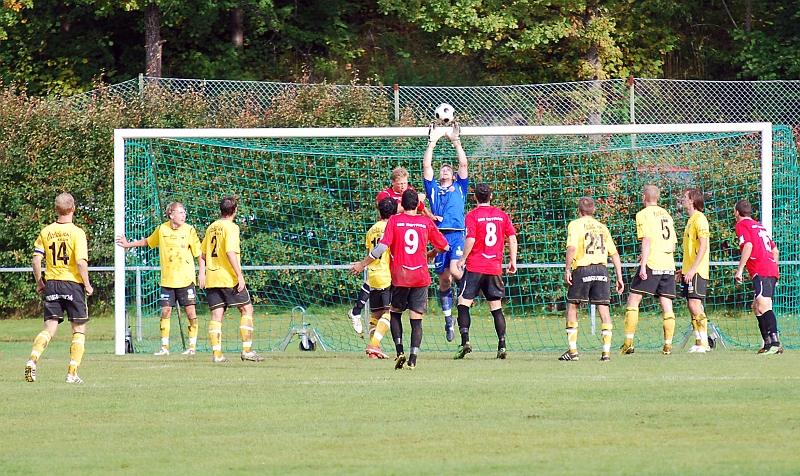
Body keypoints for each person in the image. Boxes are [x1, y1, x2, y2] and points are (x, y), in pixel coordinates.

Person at [351, 189, 449, 370]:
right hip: (420, 276)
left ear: (402, 205)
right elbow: (444, 246)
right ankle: (413, 358)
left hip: (400, 276)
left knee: (395, 313)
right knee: (416, 318)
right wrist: (431, 253)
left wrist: (363, 264)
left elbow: (381, 248)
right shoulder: (425, 222)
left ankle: (399, 352)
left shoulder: (395, 221)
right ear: (417, 206)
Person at [347, 167, 435, 337]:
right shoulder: (384, 195)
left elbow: (421, 208)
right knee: (378, 276)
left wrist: (431, 217)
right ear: (393, 182)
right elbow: (394, 209)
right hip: (386, 235)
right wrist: (411, 203)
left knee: (382, 281)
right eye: (399, 184)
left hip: (397, 239)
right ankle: (359, 312)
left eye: (405, 183)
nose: (403, 187)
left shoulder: (410, 192)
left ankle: (367, 329)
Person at [116, 202, 202, 355]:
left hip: (186, 280)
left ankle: (192, 347)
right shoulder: (162, 229)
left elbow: (199, 254)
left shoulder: (189, 230)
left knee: (191, 313)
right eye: (180, 212)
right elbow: (148, 241)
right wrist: (128, 245)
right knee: (165, 312)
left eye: (184, 212)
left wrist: (202, 273)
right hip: (168, 280)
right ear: (171, 215)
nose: (184, 215)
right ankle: (165, 347)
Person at [25, 193, 93, 384]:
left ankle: (33, 359)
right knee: (78, 329)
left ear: (56, 209)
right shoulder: (77, 232)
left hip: (52, 283)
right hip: (72, 283)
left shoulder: (46, 231)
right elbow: (80, 262)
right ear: (74, 208)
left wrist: (40, 282)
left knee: (49, 328)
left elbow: (36, 260)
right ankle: (72, 373)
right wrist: (87, 284)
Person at [453, 183, 518, 359]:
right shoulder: (501, 216)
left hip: (475, 266)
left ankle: (465, 341)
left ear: (474, 198)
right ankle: (502, 345)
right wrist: (512, 261)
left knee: (463, 303)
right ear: (491, 196)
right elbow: (512, 238)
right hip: (494, 267)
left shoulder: (472, 215)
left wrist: (462, 259)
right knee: (496, 306)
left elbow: (471, 239)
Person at [198, 196, 264, 363]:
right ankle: (247, 351)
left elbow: (203, 254)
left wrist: (202, 273)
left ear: (221, 210)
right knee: (247, 310)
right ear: (235, 210)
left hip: (212, 278)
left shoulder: (211, 227)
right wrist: (239, 275)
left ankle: (217, 355)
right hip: (227, 278)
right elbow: (230, 252)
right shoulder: (232, 228)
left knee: (216, 315)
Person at [559, 197, 624, 362]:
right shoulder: (602, 227)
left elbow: (572, 247)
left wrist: (567, 269)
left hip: (583, 268)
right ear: (594, 211)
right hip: (601, 270)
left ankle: (573, 351)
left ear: (579, 211)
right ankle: (606, 353)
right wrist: (619, 276)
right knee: (604, 310)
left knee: (572, 307)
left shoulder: (575, 224)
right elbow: (614, 254)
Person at [424, 121, 468, 342]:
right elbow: (427, 168)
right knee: (444, 281)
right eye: (443, 169)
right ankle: (448, 320)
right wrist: (431, 143)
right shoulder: (432, 189)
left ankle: (468, 292)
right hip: (439, 237)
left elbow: (463, 164)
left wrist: (456, 142)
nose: (446, 169)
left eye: (448, 168)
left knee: (456, 270)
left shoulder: (460, 187)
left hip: (457, 233)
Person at [621, 184, 678, 355]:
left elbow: (646, 239)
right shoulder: (667, 214)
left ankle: (628, 343)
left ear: (644, 198)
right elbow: (673, 245)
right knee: (667, 305)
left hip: (652, 263)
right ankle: (668, 345)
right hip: (668, 264)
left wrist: (643, 263)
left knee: (633, 301)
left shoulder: (643, 214)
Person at [733, 199, 783, 354]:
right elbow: (775, 251)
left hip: (760, 269)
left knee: (764, 306)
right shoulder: (759, 226)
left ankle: (775, 343)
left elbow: (748, 245)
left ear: (737, 212)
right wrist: (775, 269)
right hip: (770, 268)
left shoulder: (742, 225)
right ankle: (767, 343)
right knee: (757, 306)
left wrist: (740, 269)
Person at [358, 197, 398, 359]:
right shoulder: (392, 228)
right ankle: (373, 344)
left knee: (376, 314)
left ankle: (374, 351)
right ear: (395, 211)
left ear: (379, 211)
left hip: (373, 275)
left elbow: (370, 253)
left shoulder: (372, 229)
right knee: (389, 312)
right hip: (386, 275)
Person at [677, 188, 712, 353]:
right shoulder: (690, 220)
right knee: (691, 306)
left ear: (692, 200)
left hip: (697, 271)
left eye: (685, 197)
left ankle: (704, 342)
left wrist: (692, 269)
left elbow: (703, 246)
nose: (683, 199)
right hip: (689, 270)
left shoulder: (700, 219)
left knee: (695, 304)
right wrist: (683, 270)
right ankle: (699, 341)